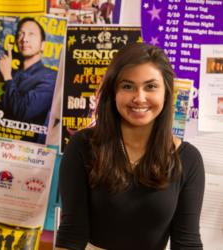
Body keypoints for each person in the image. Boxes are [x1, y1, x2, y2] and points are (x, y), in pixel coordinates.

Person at [55, 43, 205, 249]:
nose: (139, 98)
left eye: (151, 86)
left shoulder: (188, 158)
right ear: (113, 92)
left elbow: (187, 242)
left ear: (166, 92)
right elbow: (71, 234)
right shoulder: (82, 145)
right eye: (127, 86)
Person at [0, 17, 57, 140]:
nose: (24, 39)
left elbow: (23, 112)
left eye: (31, 34)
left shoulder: (50, 77)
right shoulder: (9, 72)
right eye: (20, 34)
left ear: (43, 45)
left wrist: (7, 77)